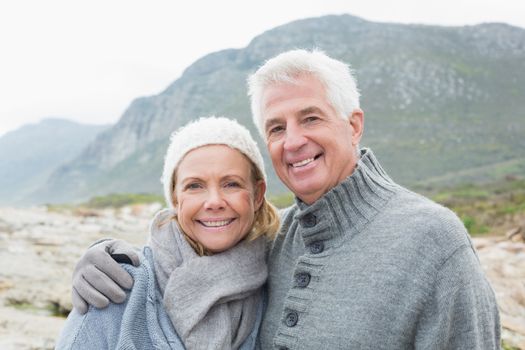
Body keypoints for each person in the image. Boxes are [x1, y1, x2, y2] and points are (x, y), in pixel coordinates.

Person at [70, 50, 501, 349]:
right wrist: (100, 257)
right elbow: (197, 254)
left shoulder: (434, 239)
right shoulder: (273, 245)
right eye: (276, 128)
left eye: (310, 118)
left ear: (353, 126)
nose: (294, 141)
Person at [56, 116, 280, 349]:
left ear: (257, 195)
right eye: (195, 185)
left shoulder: (279, 278)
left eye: (231, 184)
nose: (214, 201)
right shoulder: (117, 283)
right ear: (174, 197)